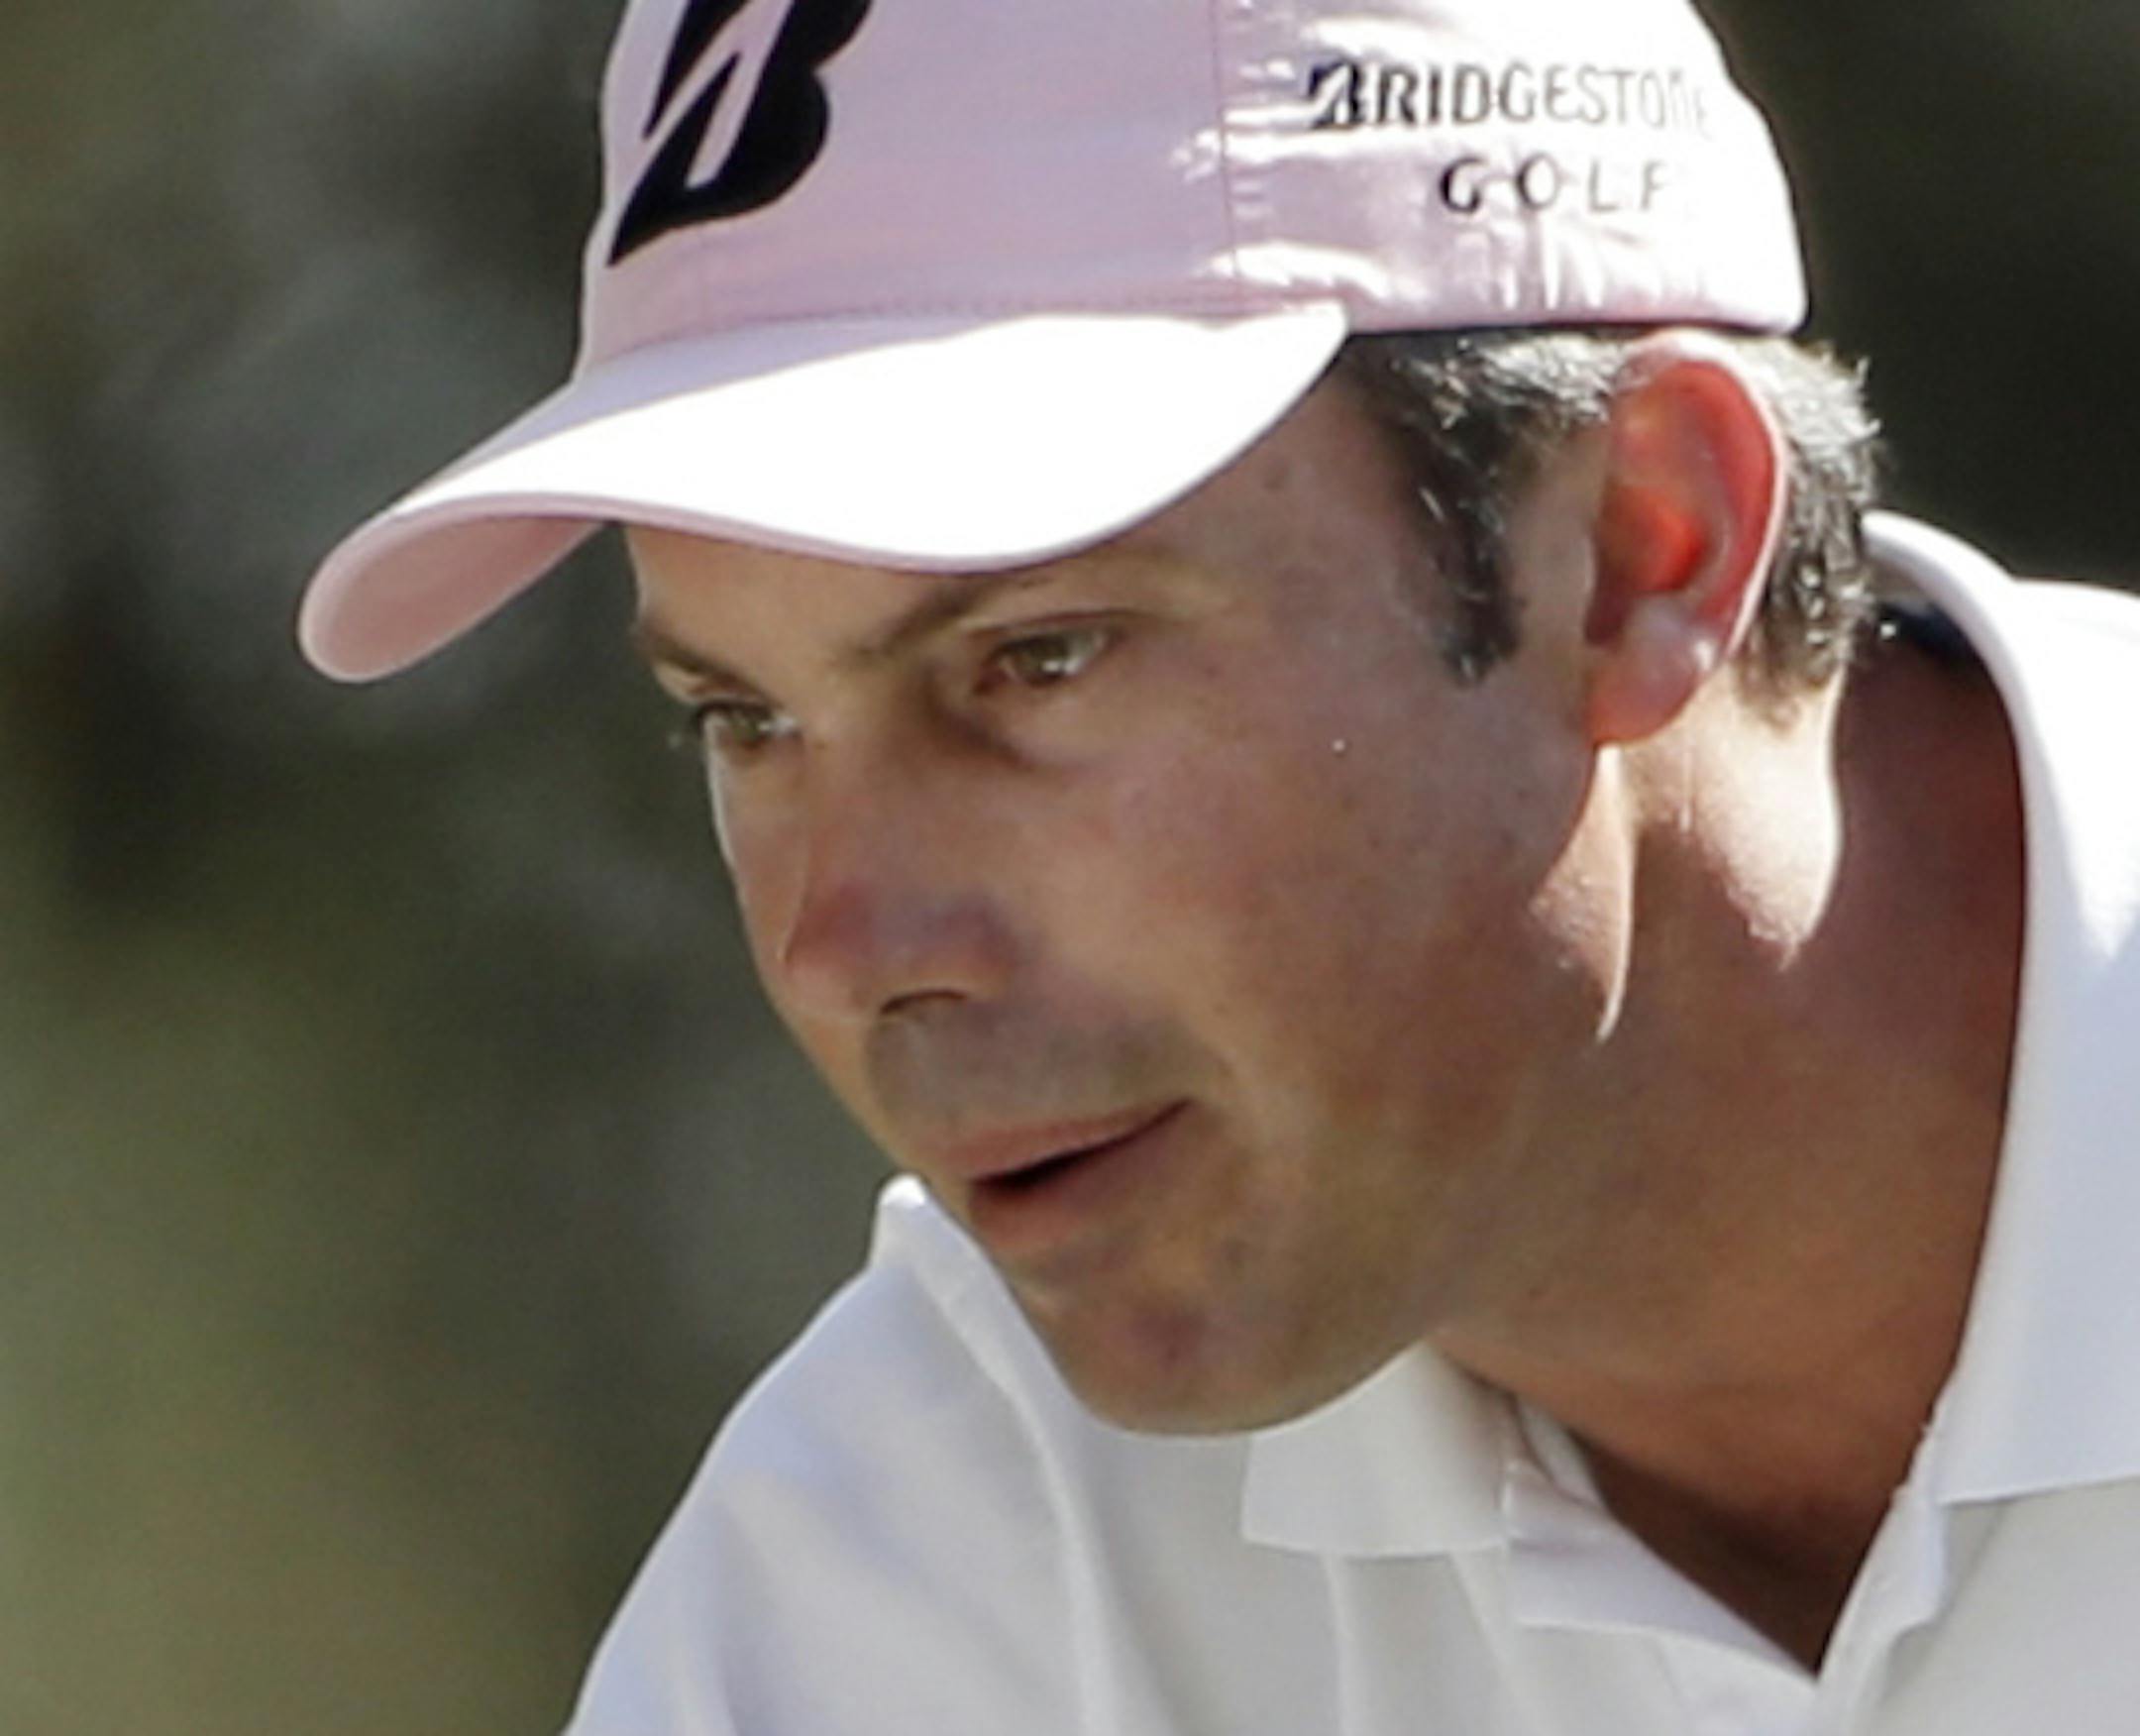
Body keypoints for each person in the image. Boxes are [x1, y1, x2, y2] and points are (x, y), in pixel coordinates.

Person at [299, 0, 2140, 1729]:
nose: (849, 946)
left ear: (1647, 546)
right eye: (746, 721)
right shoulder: (922, 1556)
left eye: (1038, 659)